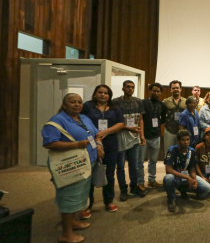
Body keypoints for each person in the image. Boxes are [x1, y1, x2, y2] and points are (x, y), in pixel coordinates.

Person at [42, 93, 104, 243]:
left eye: (79, 102)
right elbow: (49, 143)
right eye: (72, 102)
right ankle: (66, 233)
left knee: (80, 195)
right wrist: (75, 145)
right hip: (70, 165)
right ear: (64, 105)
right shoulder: (57, 121)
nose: (77, 104)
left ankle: (74, 222)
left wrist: (99, 146)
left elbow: (95, 134)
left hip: (88, 162)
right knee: (69, 197)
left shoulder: (84, 118)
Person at [81, 85, 124, 216]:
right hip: (91, 142)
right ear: (95, 94)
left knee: (109, 173)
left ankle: (108, 201)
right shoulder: (87, 106)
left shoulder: (115, 107)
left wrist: (106, 131)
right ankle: (88, 204)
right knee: (89, 174)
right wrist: (96, 135)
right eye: (100, 92)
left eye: (106, 93)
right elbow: (80, 122)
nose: (103, 95)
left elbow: (121, 123)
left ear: (109, 95)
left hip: (111, 143)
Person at [163, 129, 210, 212]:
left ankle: (183, 190)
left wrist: (194, 180)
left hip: (187, 177)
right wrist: (188, 178)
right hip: (176, 177)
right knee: (168, 178)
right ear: (178, 141)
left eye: (188, 139)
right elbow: (168, 169)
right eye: (183, 140)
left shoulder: (192, 151)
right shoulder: (172, 150)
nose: (186, 142)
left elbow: (192, 169)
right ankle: (171, 199)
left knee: (207, 188)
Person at [113, 80, 146, 200]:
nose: (130, 89)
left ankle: (134, 187)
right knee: (120, 166)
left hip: (135, 138)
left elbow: (141, 119)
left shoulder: (138, 101)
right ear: (123, 88)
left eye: (132, 87)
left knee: (134, 165)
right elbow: (114, 121)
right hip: (120, 137)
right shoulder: (115, 102)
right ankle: (123, 189)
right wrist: (128, 128)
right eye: (128, 87)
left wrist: (142, 135)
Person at [140, 83, 166, 189]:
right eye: (154, 91)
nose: (156, 93)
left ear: (160, 92)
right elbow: (140, 118)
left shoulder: (162, 105)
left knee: (153, 161)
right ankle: (140, 182)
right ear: (150, 91)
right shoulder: (143, 103)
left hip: (156, 136)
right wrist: (141, 134)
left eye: (158, 91)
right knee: (140, 161)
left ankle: (151, 180)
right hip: (143, 136)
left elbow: (163, 119)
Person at [163, 80, 187, 151]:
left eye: (177, 88)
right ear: (170, 90)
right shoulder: (165, 101)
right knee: (168, 152)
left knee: (181, 152)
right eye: (173, 88)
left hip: (182, 131)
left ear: (180, 89)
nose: (175, 89)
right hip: (169, 130)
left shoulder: (186, 101)